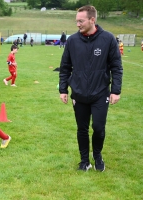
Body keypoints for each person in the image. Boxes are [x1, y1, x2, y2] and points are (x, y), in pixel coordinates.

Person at [59, 5, 123, 172]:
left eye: (81, 21)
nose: (77, 24)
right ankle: (84, 160)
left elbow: (116, 66)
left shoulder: (108, 39)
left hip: (100, 93)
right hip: (79, 94)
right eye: (76, 21)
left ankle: (97, 155)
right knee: (82, 129)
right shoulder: (72, 41)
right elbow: (65, 67)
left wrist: (116, 90)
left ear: (92, 20)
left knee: (99, 128)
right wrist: (63, 90)